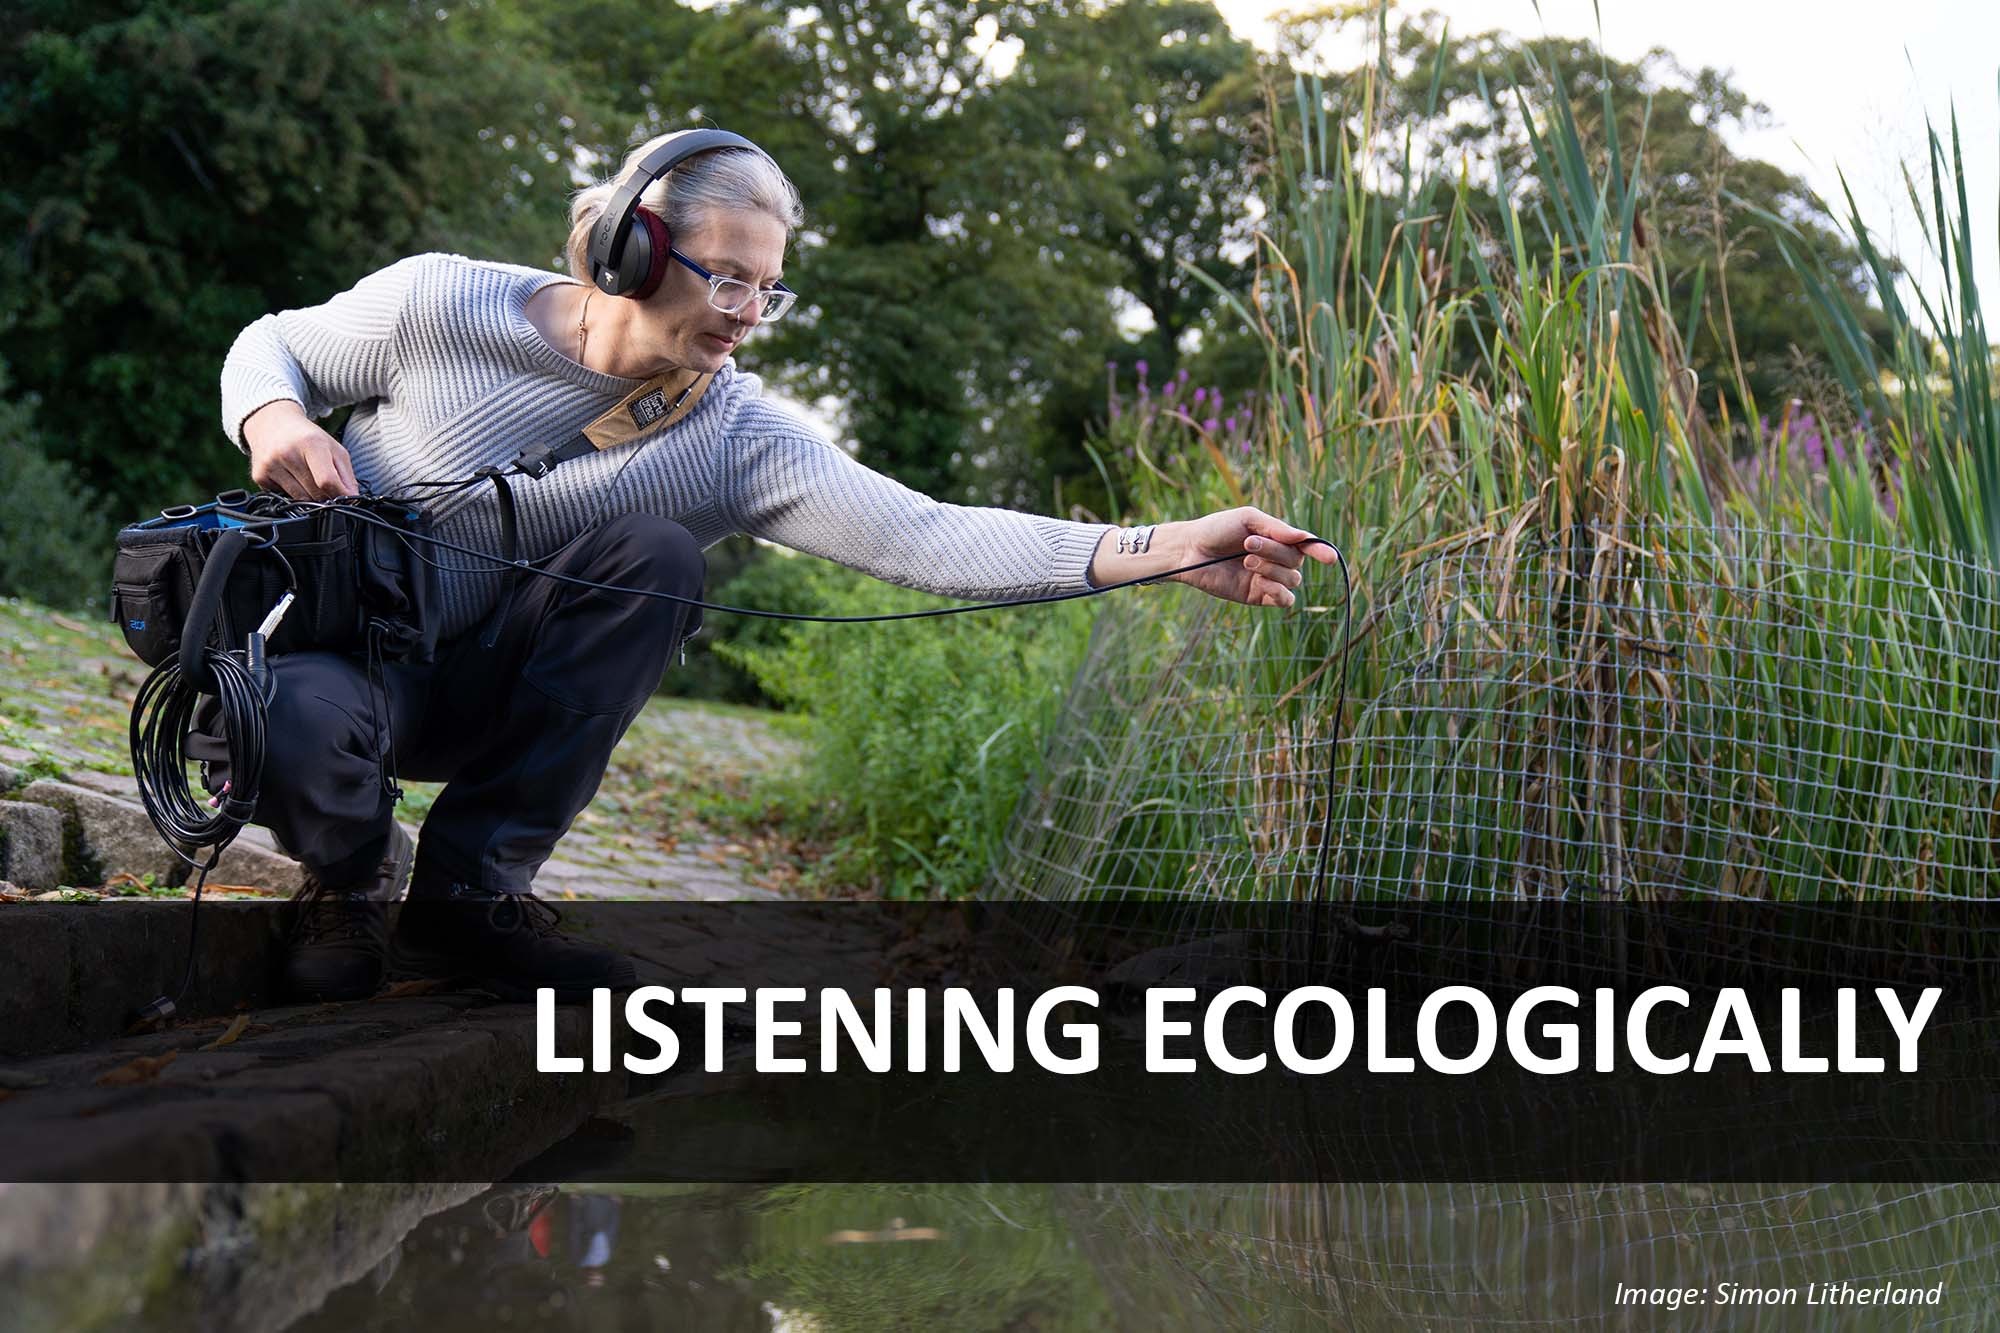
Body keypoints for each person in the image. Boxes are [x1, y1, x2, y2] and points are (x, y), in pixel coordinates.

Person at [208, 129, 1335, 1003]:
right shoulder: (441, 304)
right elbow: (277, 342)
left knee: (654, 553)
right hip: (348, 659)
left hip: (492, 690)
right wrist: (272, 418)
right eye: (730, 280)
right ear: (633, 246)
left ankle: (469, 894)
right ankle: (352, 876)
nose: (749, 315)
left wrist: (1154, 551)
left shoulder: (735, 433)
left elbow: (925, 533)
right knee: (284, 726)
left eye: (768, 289)